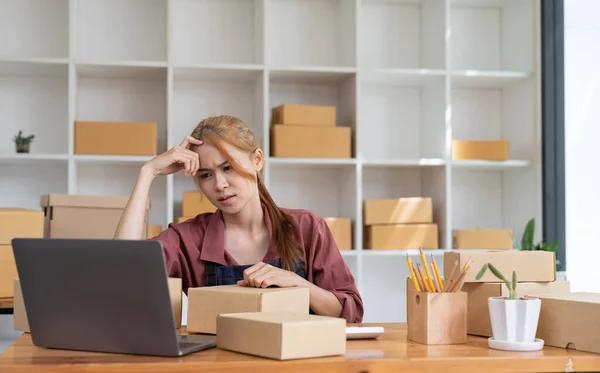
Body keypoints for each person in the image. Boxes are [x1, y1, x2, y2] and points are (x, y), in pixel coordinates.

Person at [114, 115, 363, 323]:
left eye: (228, 167)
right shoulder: (186, 239)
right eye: (206, 175)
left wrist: (300, 285)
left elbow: (350, 313)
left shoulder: (306, 227)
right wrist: (148, 173)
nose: (220, 185)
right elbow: (122, 273)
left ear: (257, 160)